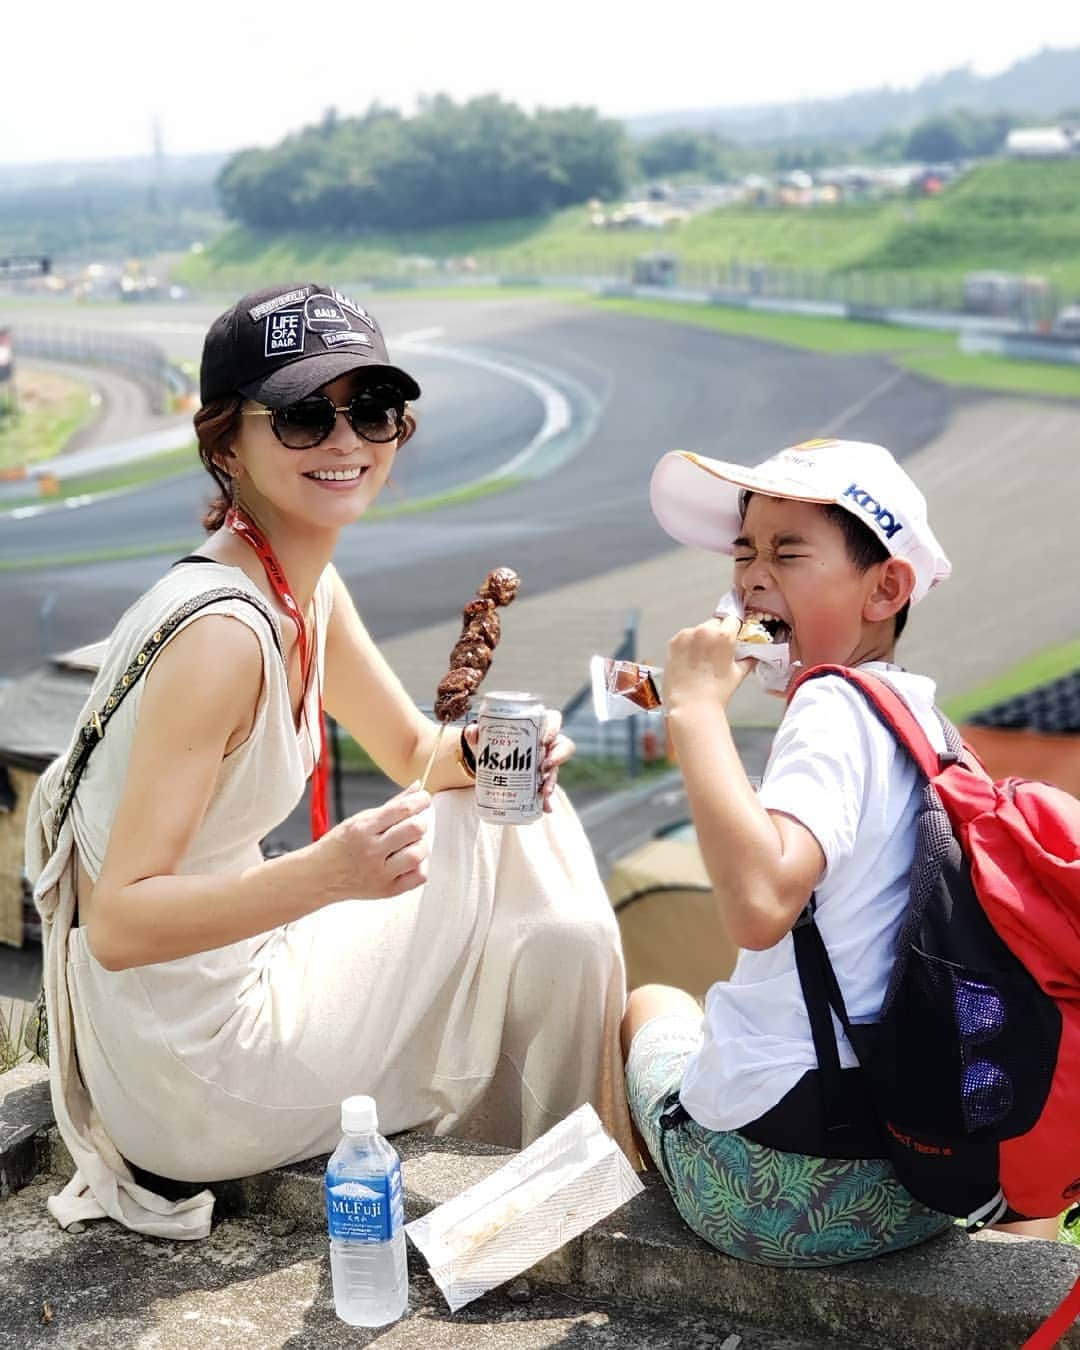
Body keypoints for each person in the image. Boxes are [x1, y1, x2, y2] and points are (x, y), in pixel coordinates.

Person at [26, 282, 633, 1241]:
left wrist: (489, 753)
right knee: (532, 884)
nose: (347, 441)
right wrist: (325, 876)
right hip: (195, 1068)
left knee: (517, 805)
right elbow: (122, 923)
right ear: (226, 442)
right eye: (305, 416)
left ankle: (553, 1161)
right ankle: (556, 1182)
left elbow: (412, 753)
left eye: (374, 411)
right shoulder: (222, 636)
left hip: (218, 985)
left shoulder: (300, 581)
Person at [621, 436, 969, 1267]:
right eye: (743, 554)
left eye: (787, 552)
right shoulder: (927, 723)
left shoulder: (831, 708)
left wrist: (698, 713)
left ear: (885, 587)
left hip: (780, 1185)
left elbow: (760, 904)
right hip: (920, 1184)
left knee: (650, 1004)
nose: (750, 578)